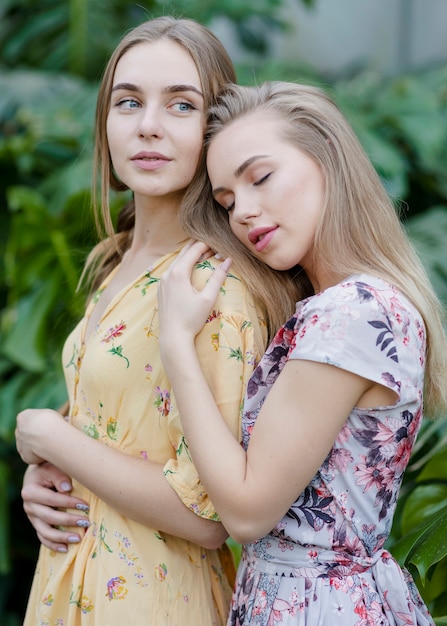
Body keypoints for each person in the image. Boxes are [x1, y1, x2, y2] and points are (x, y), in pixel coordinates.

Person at [14, 21, 308, 626]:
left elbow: (209, 517)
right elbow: (125, 428)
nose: (148, 124)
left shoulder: (211, 286)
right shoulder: (119, 258)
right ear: (106, 123)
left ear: (216, 127)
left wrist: (49, 436)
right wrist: (51, 471)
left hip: (152, 601)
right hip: (75, 584)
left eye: (181, 104)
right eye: (128, 102)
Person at [155, 81, 447, 625]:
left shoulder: (352, 312)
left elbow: (245, 510)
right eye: (227, 201)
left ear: (328, 160)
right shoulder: (349, 304)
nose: (242, 210)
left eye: (260, 177)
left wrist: (175, 344)